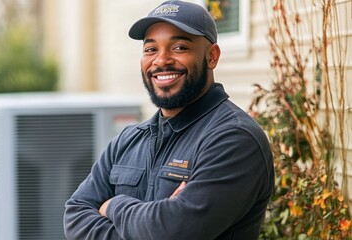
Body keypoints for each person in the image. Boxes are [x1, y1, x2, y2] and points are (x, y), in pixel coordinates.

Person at [63, 1, 275, 239]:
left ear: (212, 56)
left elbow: (173, 231)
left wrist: (113, 205)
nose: (161, 61)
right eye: (151, 49)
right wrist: (153, 221)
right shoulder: (128, 141)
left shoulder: (234, 139)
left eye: (179, 47)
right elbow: (76, 216)